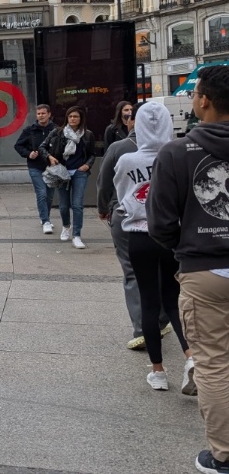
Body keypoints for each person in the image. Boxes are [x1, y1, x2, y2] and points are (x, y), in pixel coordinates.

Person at [149, 64, 229, 474]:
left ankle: (224, 455)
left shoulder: (177, 152)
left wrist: (187, 248)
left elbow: (160, 223)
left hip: (205, 270)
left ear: (204, 101)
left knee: (214, 362)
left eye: (196, 93)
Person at [111, 101, 194, 393]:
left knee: (148, 301)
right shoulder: (179, 156)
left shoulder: (127, 160)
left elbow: (122, 195)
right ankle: (190, 356)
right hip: (172, 235)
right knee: (174, 300)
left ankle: (158, 372)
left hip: (139, 235)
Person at [98, 102, 172, 351]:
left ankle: (142, 328)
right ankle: (161, 320)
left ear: (134, 122)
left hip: (128, 216)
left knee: (132, 272)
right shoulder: (174, 150)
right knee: (166, 271)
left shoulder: (121, 149)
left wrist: (102, 208)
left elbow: (104, 181)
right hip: (167, 219)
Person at [42, 106, 95, 249]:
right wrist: (50, 157)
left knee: (77, 205)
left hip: (79, 172)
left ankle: (77, 235)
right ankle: (66, 226)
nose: (73, 119)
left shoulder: (87, 135)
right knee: (64, 205)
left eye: (76, 116)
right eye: (70, 116)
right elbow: (43, 147)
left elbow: (92, 154)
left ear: (81, 118)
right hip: (61, 172)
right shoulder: (58, 132)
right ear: (67, 117)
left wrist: (87, 165)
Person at [15, 104, 58, 234]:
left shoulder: (56, 130)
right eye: (38, 114)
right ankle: (45, 221)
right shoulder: (29, 130)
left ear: (49, 114)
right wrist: (28, 154)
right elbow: (18, 145)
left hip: (52, 168)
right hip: (35, 166)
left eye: (43, 113)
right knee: (42, 193)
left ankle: (46, 217)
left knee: (50, 196)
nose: (41, 116)